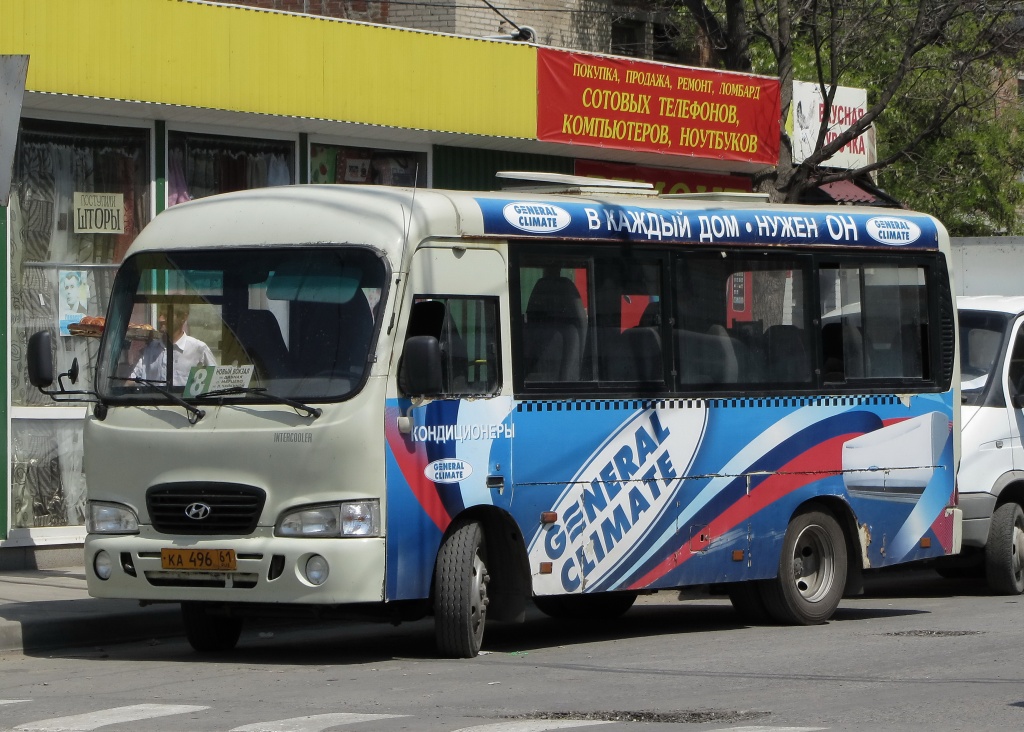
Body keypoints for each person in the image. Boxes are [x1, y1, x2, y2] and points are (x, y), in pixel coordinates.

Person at [130, 302, 216, 386]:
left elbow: (215, 382)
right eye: (160, 314)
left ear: (183, 317)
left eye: (167, 315)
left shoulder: (198, 349)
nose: (160, 319)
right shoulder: (150, 349)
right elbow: (131, 380)